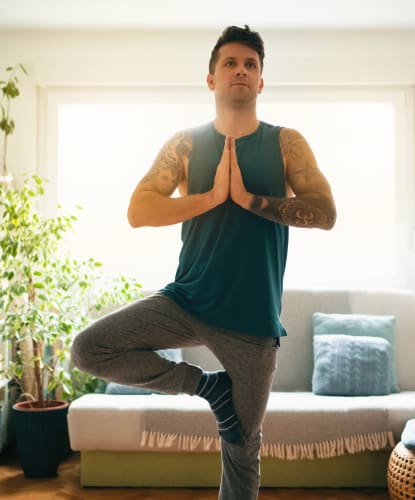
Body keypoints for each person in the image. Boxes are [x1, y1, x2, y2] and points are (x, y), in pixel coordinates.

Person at [71, 25, 336, 500]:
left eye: (250, 65)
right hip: (187, 300)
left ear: (260, 82)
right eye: (230, 63)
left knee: (241, 445)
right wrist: (213, 197)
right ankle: (208, 389)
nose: (241, 70)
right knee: (88, 349)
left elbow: (326, 213)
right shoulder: (187, 144)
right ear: (211, 79)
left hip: (253, 321)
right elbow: (138, 211)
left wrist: (251, 200)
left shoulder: (285, 143)